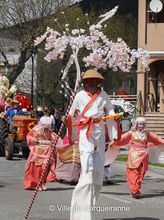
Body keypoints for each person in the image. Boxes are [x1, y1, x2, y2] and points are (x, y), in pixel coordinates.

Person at [67, 69, 119, 219]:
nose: (91, 83)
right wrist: (67, 122)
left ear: (98, 82)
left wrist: (114, 134)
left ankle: (91, 198)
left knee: (98, 172)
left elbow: (110, 113)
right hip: (85, 131)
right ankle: (80, 212)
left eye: (94, 81)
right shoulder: (79, 96)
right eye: (88, 81)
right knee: (87, 167)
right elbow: (70, 114)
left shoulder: (103, 95)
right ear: (84, 82)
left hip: (99, 131)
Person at [109, 117, 164, 199]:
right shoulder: (131, 133)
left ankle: (136, 189)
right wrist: (113, 143)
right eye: (140, 124)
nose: (141, 126)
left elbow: (156, 138)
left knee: (141, 174)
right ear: (137, 125)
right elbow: (121, 138)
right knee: (133, 173)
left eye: (143, 124)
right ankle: (135, 191)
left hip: (144, 155)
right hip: (134, 156)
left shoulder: (147, 133)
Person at [24, 116, 57, 190]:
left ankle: (42, 182)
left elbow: (54, 138)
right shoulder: (35, 130)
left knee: (45, 166)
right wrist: (36, 141)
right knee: (37, 168)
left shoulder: (50, 131)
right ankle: (36, 183)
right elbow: (29, 137)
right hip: (37, 151)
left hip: (47, 150)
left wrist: (55, 141)